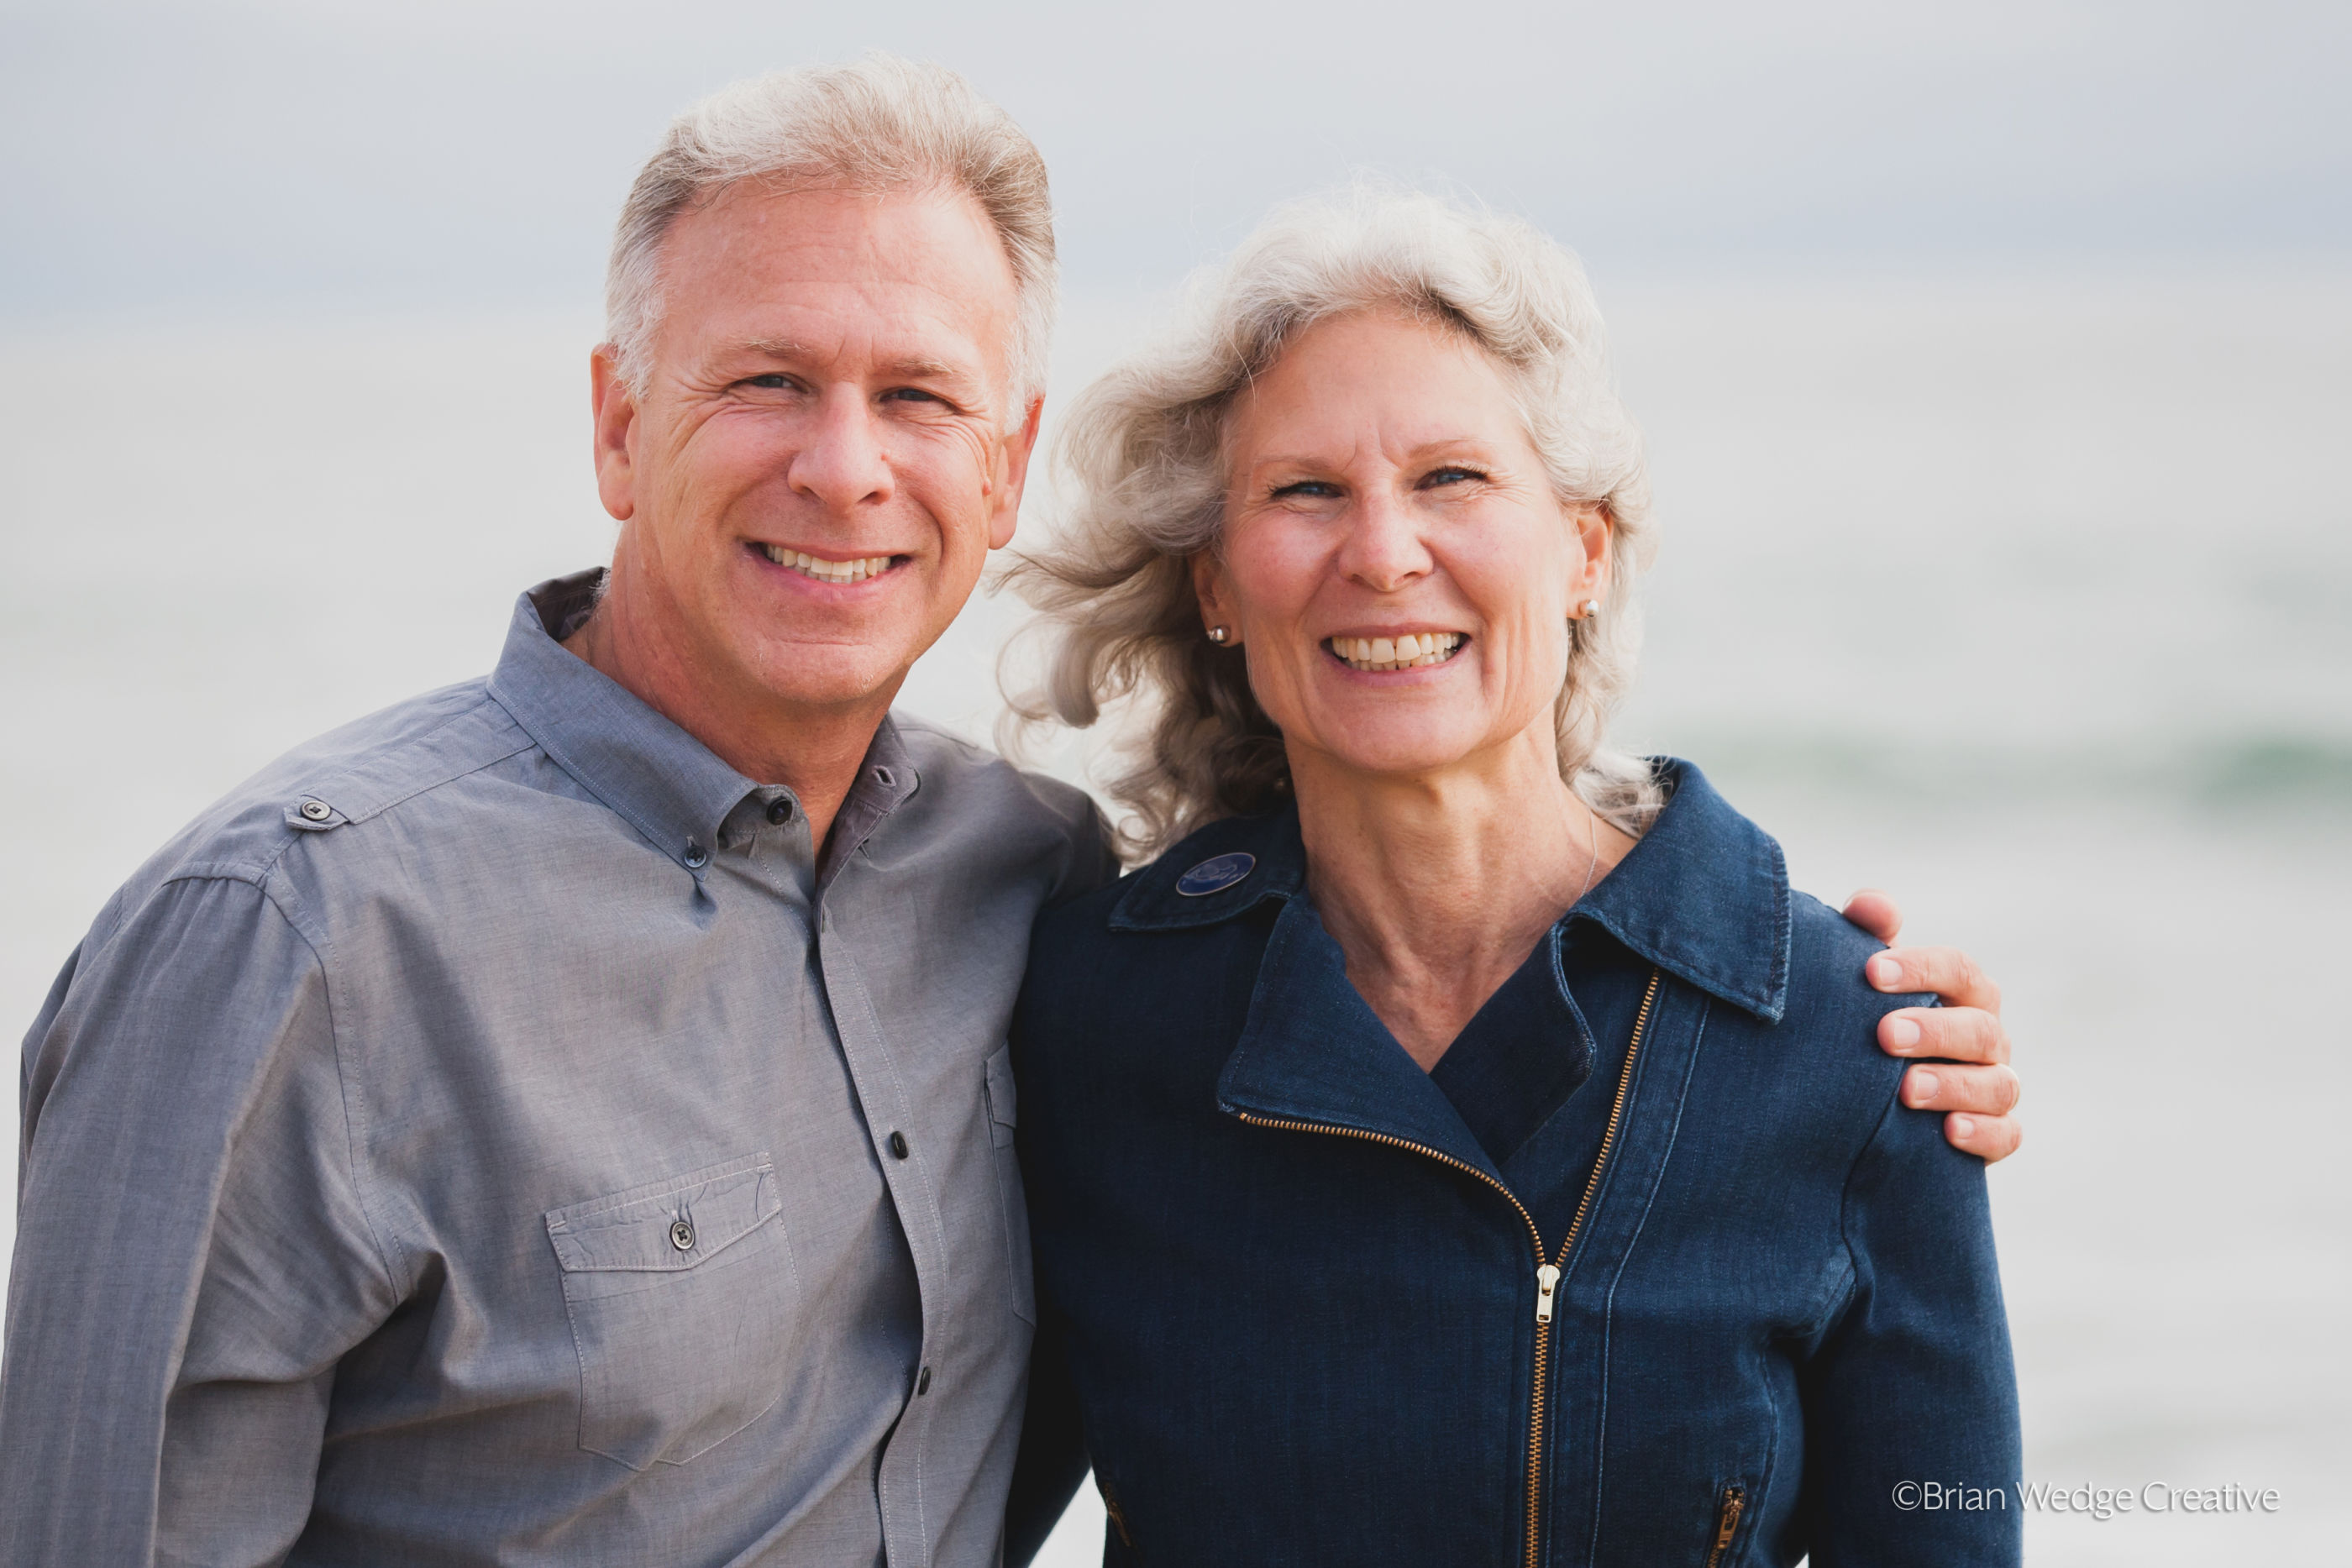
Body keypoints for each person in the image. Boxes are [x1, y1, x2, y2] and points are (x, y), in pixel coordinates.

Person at [1, 60, 2018, 1567]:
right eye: (764, 381)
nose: (845, 467)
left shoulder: (1022, 892)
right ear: (617, 426)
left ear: (1009, 454)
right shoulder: (289, 940)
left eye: (920, 397)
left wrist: (1865, 1027)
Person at [1006, 189, 2022, 1565]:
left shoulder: (1854, 1051)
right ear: (1217, 589)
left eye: (1452, 479)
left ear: (1582, 551)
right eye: (1307, 491)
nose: (1381, 552)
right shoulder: (1085, 1014)